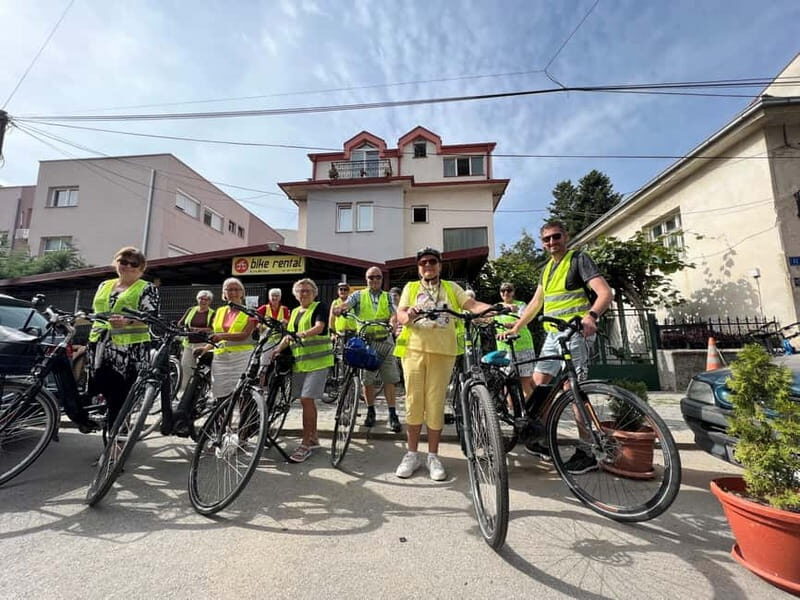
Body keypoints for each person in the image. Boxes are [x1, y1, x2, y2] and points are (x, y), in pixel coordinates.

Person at [504, 220, 613, 474]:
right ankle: (536, 437)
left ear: (566, 236)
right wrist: (517, 327)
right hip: (553, 336)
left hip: (576, 333)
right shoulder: (547, 270)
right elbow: (535, 303)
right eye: (546, 239)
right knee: (538, 384)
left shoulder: (578, 260)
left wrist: (591, 316)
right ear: (542, 244)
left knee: (572, 390)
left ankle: (586, 450)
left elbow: (605, 293)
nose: (551, 242)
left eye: (556, 237)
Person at [394, 247, 493, 481]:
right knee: (414, 402)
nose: (427, 266)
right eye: (423, 263)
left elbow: (472, 305)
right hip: (414, 351)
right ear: (419, 268)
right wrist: (409, 314)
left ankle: (433, 456)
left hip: (443, 352)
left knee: (435, 403)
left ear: (439, 265)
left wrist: (492, 309)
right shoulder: (411, 288)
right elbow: (401, 315)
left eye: (432, 262)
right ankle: (411, 454)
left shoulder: (451, 288)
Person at [87, 246, 159, 429]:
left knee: (120, 395)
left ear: (141, 269)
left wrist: (127, 322)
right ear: (115, 262)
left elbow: (150, 317)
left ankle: (116, 442)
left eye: (133, 263)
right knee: (100, 388)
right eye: (123, 261)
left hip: (129, 349)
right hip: (99, 344)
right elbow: (96, 312)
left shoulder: (146, 287)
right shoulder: (104, 285)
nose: (127, 266)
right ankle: (107, 423)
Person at [332, 266, 402, 432]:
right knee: (367, 380)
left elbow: (395, 312)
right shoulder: (358, 295)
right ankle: (371, 411)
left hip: (385, 341)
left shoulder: (388, 296)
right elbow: (347, 305)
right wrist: (340, 309)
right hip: (366, 343)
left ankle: (392, 414)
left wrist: (393, 322)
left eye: (378, 277)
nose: (375, 280)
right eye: (371, 277)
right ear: (366, 279)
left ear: (382, 279)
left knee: (389, 379)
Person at [270, 278, 332, 463]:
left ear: (314, 293)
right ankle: (313, 438)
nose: (304, 293)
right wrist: (277, 349)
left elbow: (319, 327)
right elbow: (289, 337)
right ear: (296, 295)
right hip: (301, 364)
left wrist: (302, 334)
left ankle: (305, 444)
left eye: (307, 290)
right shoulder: (295, 312)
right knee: (307, 402)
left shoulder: (319, 307)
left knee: (306, 399)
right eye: (301, 291)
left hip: (319, 362)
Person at [195, 278, 258, 401]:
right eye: (229, 290)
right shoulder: (220, 311)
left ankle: (244, 420)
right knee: (220, 395)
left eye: (236, 289)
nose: (233, 293)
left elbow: (244, 334)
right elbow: (216, 335)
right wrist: (205, 348)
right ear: (224, 293)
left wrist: (222, 336)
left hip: (242, 357)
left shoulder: (251, 313)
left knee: (242, 395)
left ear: (242, 293)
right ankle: (223, 420)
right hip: (221, 359)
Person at [494, 283, 535, 399]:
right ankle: (513, 412)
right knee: (507, 382)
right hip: (504, 349)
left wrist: (512, 325)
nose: (505, 293)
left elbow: (524, 319)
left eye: (509, 290)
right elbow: (486, 320)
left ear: (513, 292)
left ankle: (531, 412)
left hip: (523, 347)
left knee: (525, 382)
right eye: (503, 290)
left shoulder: (521, 305)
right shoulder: (496, 307)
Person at [177, 290, 215, 398]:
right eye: (201, 298)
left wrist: (199, 329)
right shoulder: (191, 310)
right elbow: (181, 322)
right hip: (189, 343)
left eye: (206, 299)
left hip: (203, 344)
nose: (203, 301)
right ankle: (185, 393)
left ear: (210, 301)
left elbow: (213, 328)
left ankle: (201, 392)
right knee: (186, 367)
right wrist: (182, 328)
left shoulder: (212, 313)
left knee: (201, 370)